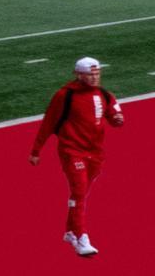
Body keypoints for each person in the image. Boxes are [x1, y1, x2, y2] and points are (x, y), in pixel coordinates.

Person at [31, 56, 126, 257]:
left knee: (80, 195)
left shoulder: (105, 95)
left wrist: (117, 120)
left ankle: (69, 231)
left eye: (97, 73)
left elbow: (114, 116)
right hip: (71, 151)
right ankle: (81, 237)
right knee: (79, 191)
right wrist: (36, 150)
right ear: (78, 74)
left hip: (95, 153)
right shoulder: (64, 96)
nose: (94, 78)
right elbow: (48, 122)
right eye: (90, 74)